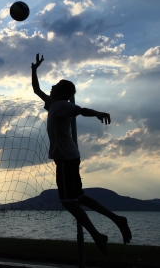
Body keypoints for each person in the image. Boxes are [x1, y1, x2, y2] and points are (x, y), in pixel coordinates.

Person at [31, 53, 132, 255]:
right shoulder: (53, 103)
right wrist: (34, 70)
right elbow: (36, 89)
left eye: (57, 85)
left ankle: (97, 235)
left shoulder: (61, 105)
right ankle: (116, 219)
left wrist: (98, 113)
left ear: (62, 92)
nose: (52, 86)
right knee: (79, 197)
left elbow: (80, 110)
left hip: (66, 159)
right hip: (68, 157)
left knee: (68, 201)